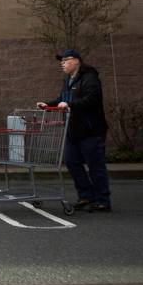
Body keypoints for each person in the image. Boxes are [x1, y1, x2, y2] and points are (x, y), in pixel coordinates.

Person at [37, 49, 111, 212]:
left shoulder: (89, 78)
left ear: (76, 61)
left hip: (90, 130)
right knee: (72, 162)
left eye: (66, 60)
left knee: (95, 165)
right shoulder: (68, 80)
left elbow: (92, 99)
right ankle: (86, 196)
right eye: (61, 61)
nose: (62, 63)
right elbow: (62, 100)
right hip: (72, 130)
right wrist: (48, 105)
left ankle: (102, 200)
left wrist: (70, 105)